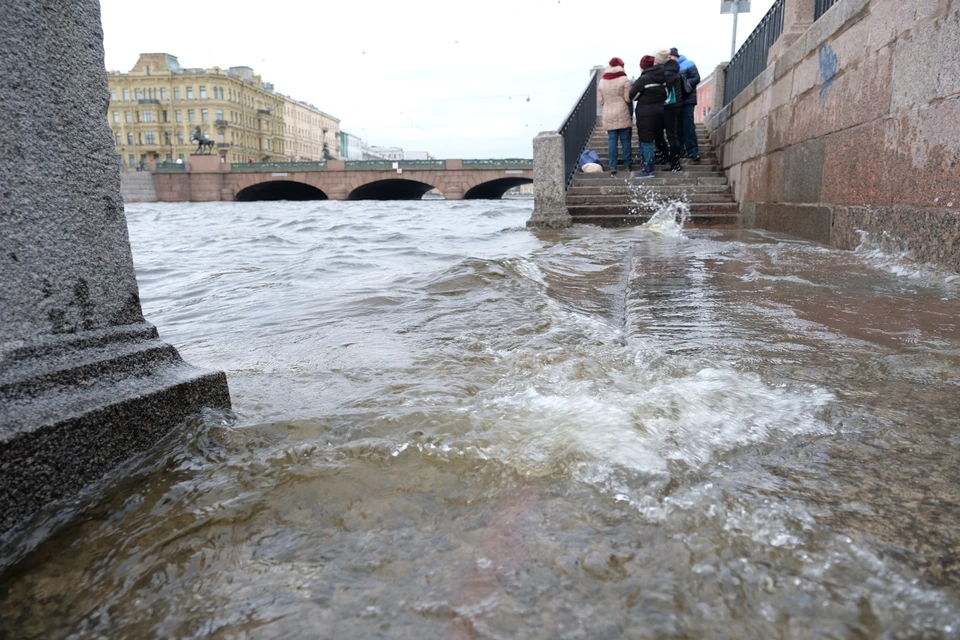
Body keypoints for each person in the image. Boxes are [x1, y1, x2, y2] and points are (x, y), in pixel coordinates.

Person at [629, 54, 667, 178]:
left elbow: (632, 96)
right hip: (661, 111)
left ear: (643, 67)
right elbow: (666, 94)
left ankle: (648, 169)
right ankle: (664, 158)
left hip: (646, 113)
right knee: (658, 137)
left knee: (646, 140)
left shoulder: (643, 79)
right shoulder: (663, 77)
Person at [597, 57, 633, 175]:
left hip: (608, 111)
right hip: (622, 110)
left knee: (612, 140)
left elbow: (600, 101)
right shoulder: (624, 79)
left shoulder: (602, 81)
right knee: (625, 140)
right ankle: (628, 165)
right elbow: (628, 98)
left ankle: (613, 165)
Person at [671, 47, 701, 163]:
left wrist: (684, 85)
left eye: (671, 57)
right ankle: (681, 149)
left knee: (688, 125)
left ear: (675, 56)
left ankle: (693, 150)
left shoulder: (689, 64)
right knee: (677, 126)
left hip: (688, 99)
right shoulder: (671, 67)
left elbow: (697, 78)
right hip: (677, 101)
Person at [661, 48, 683, 172]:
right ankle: (674, 160)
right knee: (673, 133)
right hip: (677, 105)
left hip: (670, 106)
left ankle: (674, 162)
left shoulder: (668, 73)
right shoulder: (676, 72)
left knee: (671, 134)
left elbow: (665, 91)